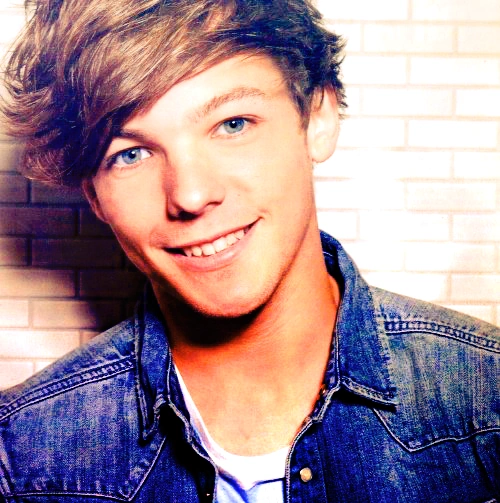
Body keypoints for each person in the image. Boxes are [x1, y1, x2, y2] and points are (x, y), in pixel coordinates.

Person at [0, 0, 498, 501]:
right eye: (130, 154)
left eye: (232, 124)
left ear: (318, 117)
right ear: (93, 194)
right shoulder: (20, 459)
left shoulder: (488, 399)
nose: (191, 195)